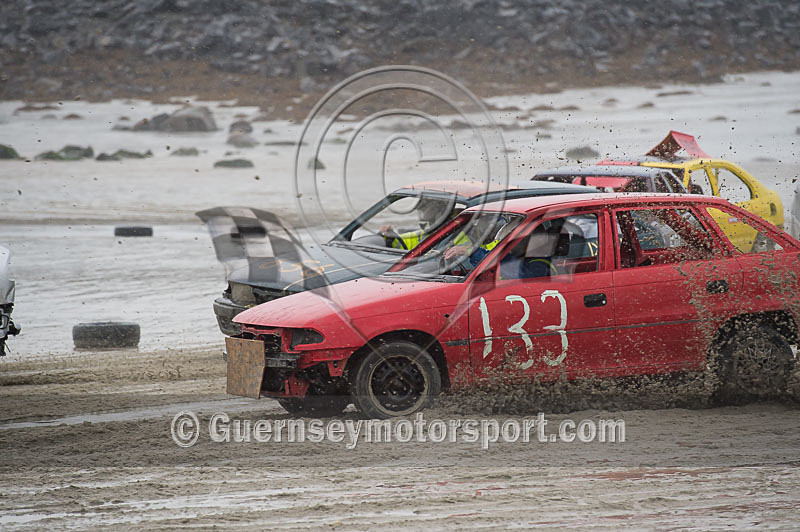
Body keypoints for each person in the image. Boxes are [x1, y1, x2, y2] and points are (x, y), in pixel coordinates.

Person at [380, 197, 456, 250]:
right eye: (421, 211)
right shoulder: (423, 234)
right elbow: (402, 242)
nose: (423, 216)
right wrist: (388, 235)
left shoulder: (458, 235)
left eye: (425, 209)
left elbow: (465, 251)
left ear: (440, 212)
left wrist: (467, 250)